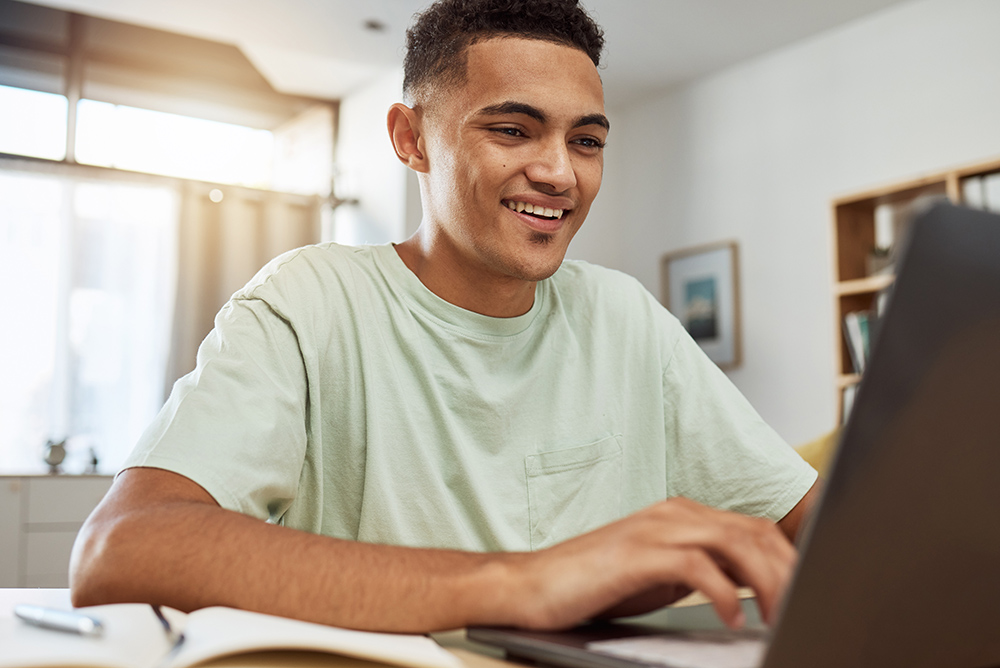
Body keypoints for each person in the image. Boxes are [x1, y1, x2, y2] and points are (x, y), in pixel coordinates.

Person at [71, 0, 819, 634]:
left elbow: (811, 521)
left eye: (586, 141)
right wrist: (527, 583)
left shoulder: (625, 317)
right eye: (513, 130)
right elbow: (120, 550)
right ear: (410, 139)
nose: (559, 172)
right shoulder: (310, 302)